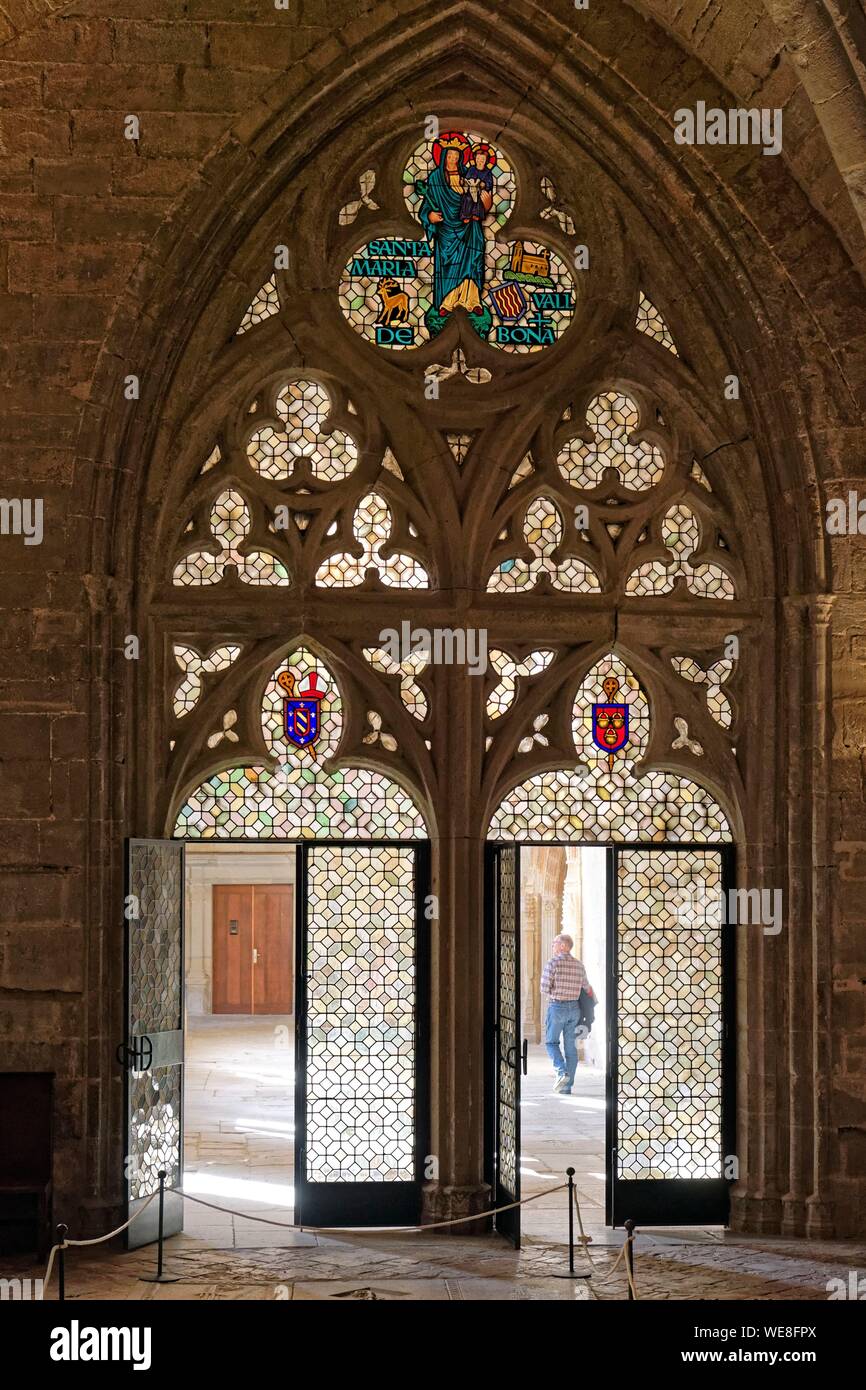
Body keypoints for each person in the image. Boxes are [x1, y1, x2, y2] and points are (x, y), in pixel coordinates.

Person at [541, 933, 594, 1095]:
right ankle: (566, 1087)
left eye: (554, 943)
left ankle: (561, 1071)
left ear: (563, 946)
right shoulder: (579, 965)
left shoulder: (553, 963)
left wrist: (555, 990)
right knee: (571, 1048)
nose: (552, 946)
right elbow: (586, 987)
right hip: (574, 1010)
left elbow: (543, 988)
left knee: (551, 1043)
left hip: (557, 1007)